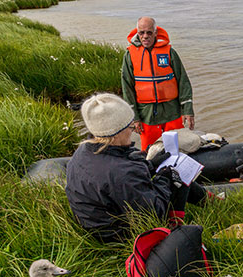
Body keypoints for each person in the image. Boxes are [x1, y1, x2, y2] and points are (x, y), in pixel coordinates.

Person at [65, 93, 206, 242]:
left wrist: (151, 164)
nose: (133, 130)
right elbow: (154, 211)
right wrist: (164, 178)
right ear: (116, 132)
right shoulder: (121, 172)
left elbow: (122, 178)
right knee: (176, 176)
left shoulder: (84, 151)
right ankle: (175, 229)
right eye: (130, 126)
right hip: (120, 236)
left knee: (170, 172)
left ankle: (210, 201)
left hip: (99, 226)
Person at [122, 16, 194, 152]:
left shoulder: (169, 52)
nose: (145, 36)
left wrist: (188, 110)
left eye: (149, 32)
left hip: (172, 112)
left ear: (156, 33)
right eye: (141, 33)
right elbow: (127, 88)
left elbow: (183, 81)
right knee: (149, 152)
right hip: (146, 115)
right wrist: (134, 118)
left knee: (177, 149)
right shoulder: (129, 55)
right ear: (137, 33)